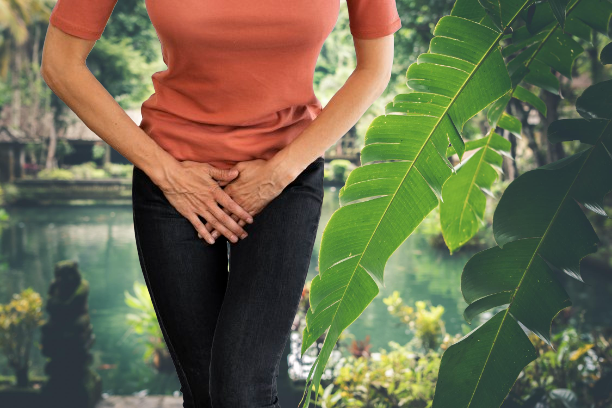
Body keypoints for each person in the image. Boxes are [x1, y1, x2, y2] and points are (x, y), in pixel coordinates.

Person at [40, 0, 401, 406]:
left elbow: (374, 67)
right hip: (172, 180)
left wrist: (278, 174)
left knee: (240, 385)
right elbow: (61, 62)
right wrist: (168, 174)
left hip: (285, 175)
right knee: (204, 389)